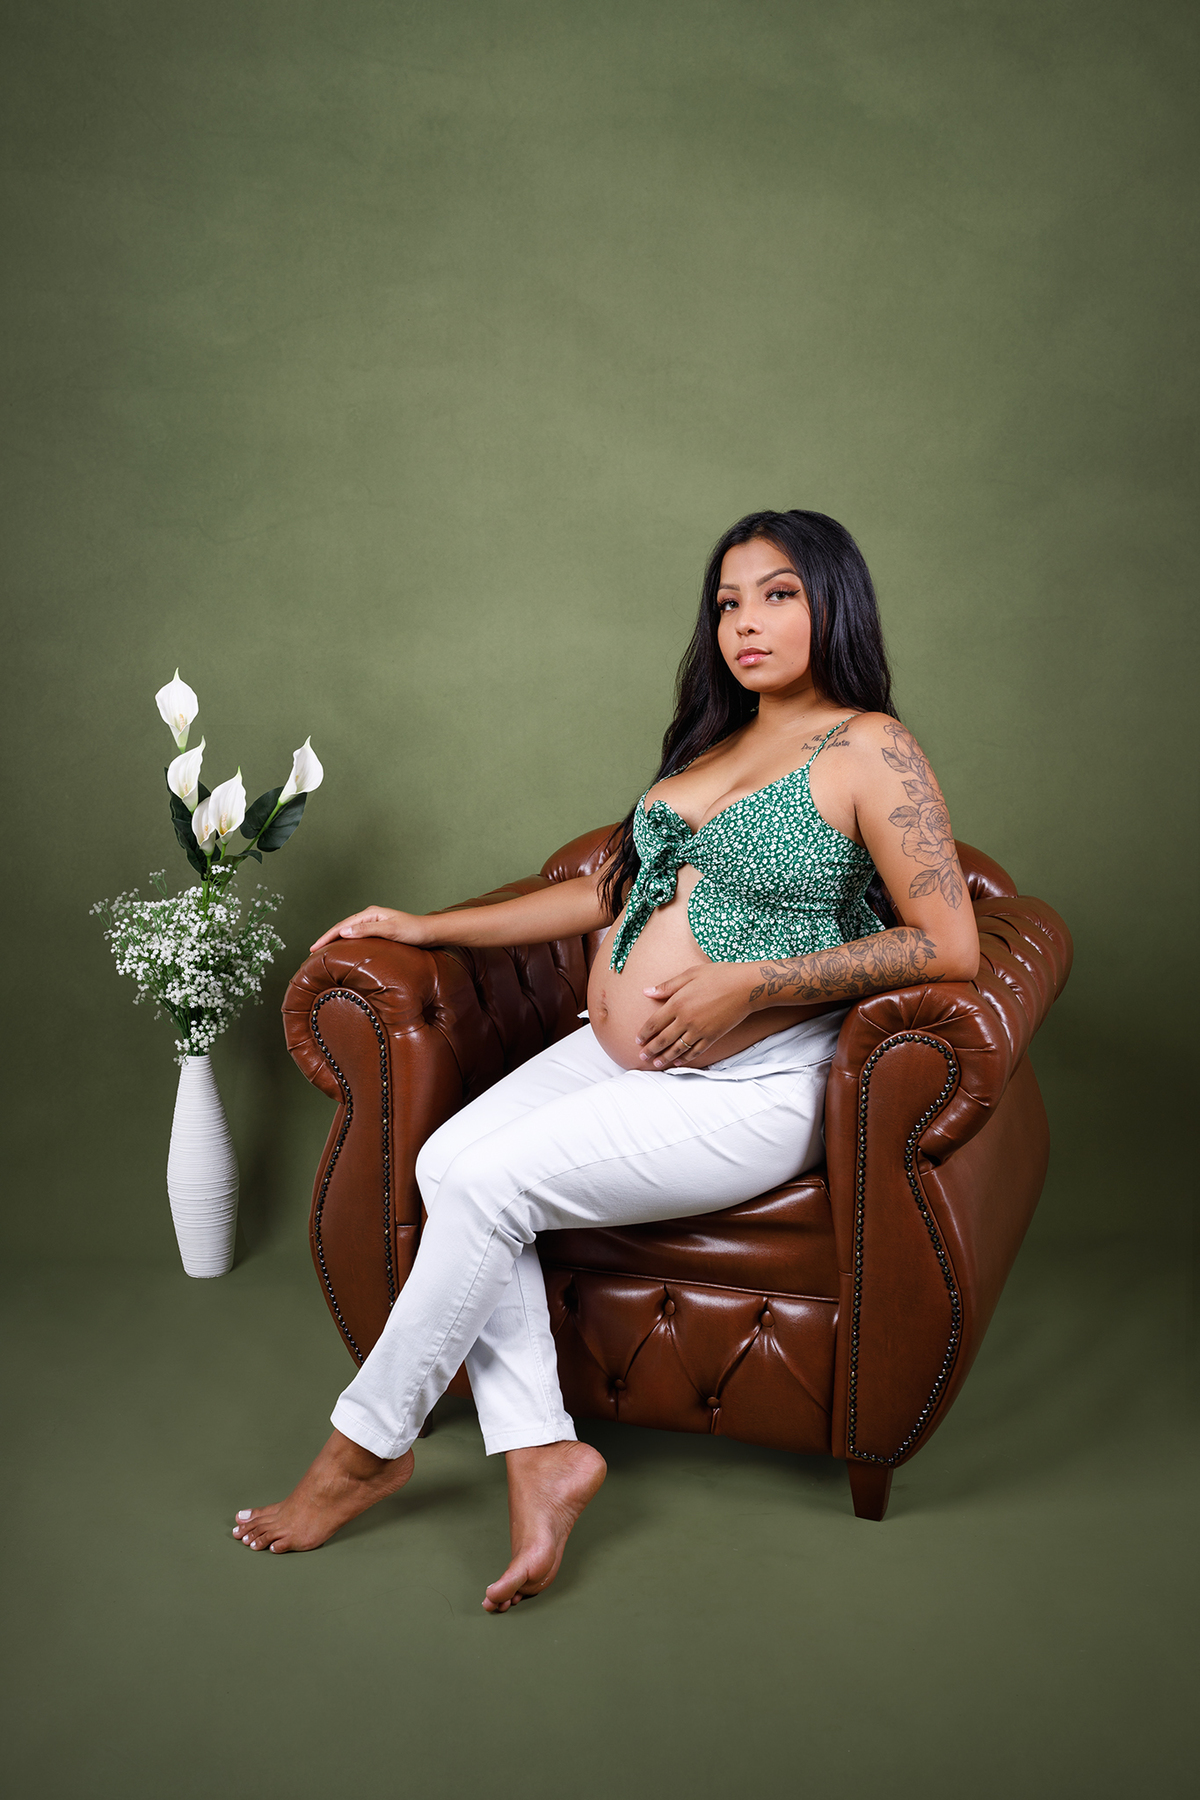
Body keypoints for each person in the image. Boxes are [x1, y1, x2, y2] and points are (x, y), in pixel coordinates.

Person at [231, 509, 979, 1610]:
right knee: (447, 1164)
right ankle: (543, 1451)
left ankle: (361, 1453)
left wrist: (753, 983)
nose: (745, 623)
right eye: (727, 603)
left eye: (777, 594)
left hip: (750, 1082)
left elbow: (949, 943)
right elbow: (605, 893)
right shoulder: (712, 747)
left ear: (834, 602)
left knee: (487, 1181)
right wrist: (428, 926)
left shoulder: (871, 748)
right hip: (617, 1056)